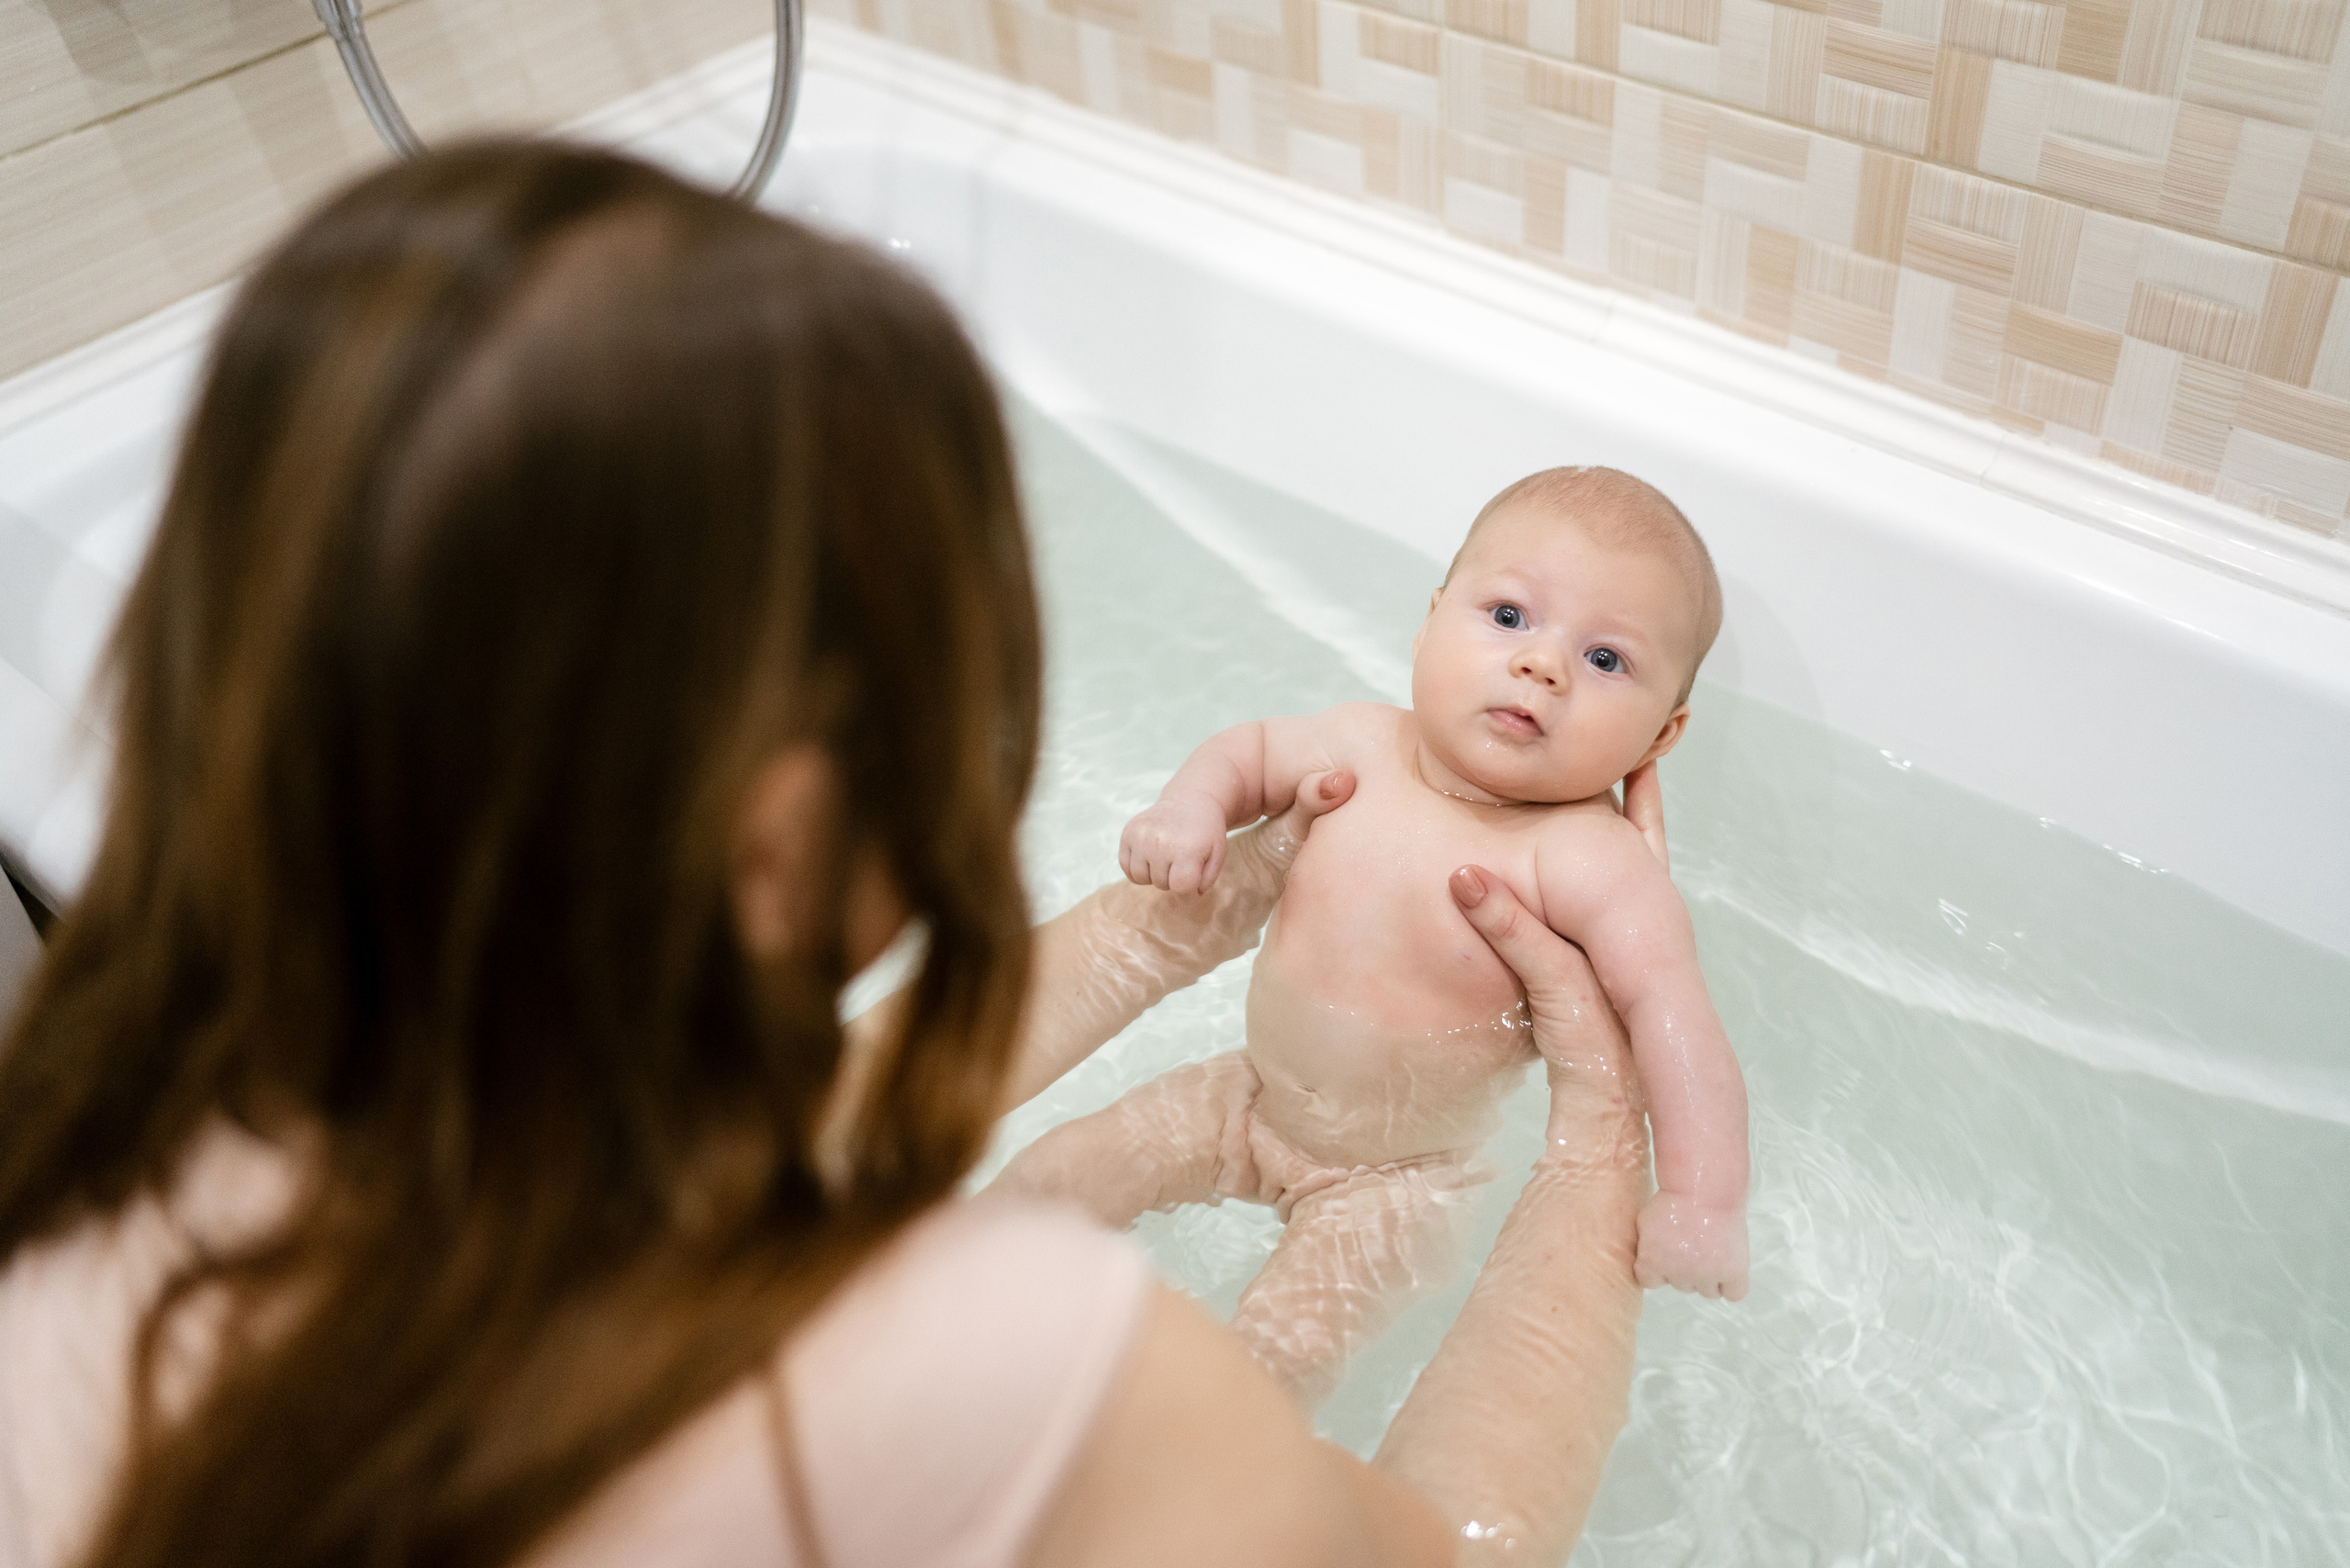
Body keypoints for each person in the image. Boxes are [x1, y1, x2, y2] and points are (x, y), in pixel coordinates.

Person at [0, 141, 1651, 1568]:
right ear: (791, 819)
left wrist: (1170, 925)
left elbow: (739, 1138)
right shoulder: (989, 1367)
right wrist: (1600, 1124)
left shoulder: (92, 1169)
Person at [998, 468, 1748, 1408]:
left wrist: (1700, 1201)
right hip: (1246, 1092)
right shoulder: (1358, 742)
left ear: (1661, 736)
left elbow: (1677, 1025)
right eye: (1509, 615)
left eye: (1605, 660)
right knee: (1044, 1184)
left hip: (1398, 1182)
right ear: (1429, 619)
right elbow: (1247, 753)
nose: (1542, 664)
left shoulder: (1591, 861)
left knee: (1260, 1376)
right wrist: (1189, 809)